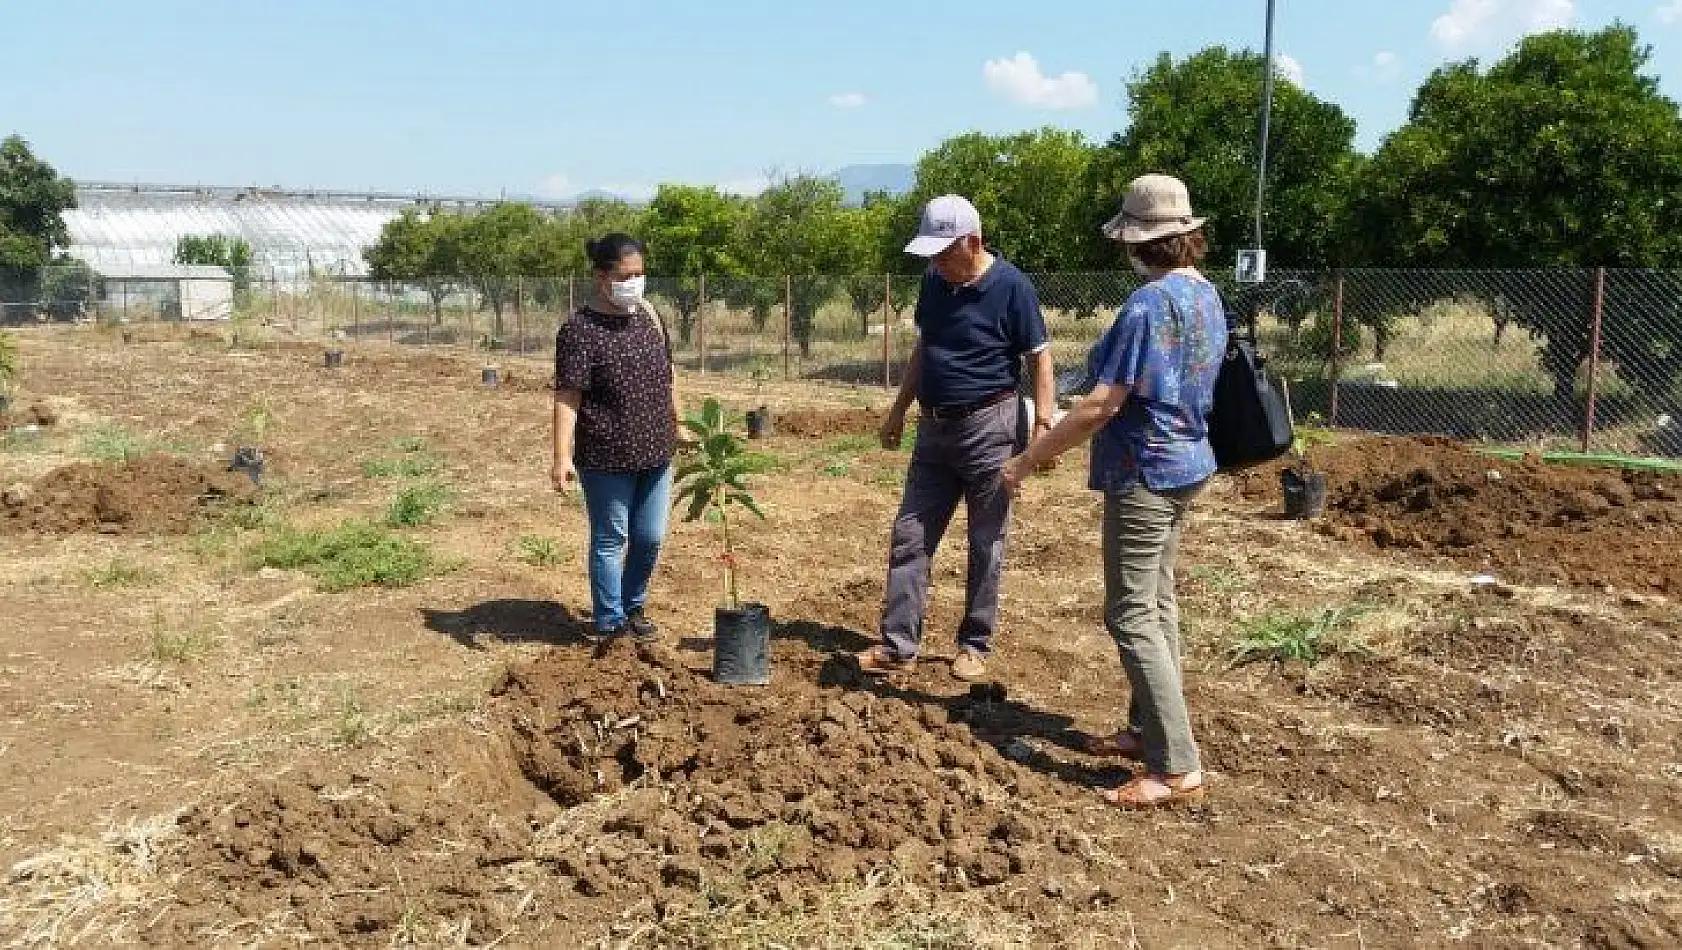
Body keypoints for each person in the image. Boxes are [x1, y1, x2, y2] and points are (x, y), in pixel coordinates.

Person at [1001, 174, 1227, 809]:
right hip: (1190, 464)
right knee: (1159, 602)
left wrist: (1027, 460)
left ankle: (1175, 765)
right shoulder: (1208, 297)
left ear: (1140, 243)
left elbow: (1100, 406)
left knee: (1130, 613)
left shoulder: (1146, 307)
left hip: (1146, 474)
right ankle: (1144, 728)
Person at [855, 195, 1056, 682]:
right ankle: (899, 644)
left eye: (946, 253)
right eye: (932, 255)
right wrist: (899, 411)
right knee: (910, 535)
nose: (938, 263)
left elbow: (1040, 358)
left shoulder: (1012, 287)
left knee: (986, 540)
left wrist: (1044, 429)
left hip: (990, 426)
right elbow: (926, 349)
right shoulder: (933, 283)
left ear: (974, 241)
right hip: (934, 428)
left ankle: (974, 644)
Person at [551, 233, 682, 642]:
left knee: (650, 537)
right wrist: (561, 456)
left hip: (656, 449)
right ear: (601, 277)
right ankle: (610, 622)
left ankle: (633, 605)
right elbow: (568, 396)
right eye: (627, 275)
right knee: (611, 538)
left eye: (640, 274)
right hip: (606, 455)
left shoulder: (649, 316)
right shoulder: (579, 330)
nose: (635, 283)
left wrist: (682, 422)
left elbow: (670, 374)